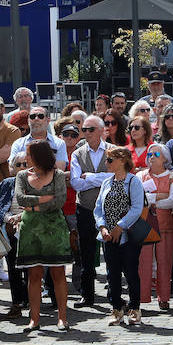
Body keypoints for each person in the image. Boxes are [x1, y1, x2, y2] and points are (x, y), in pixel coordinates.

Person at [12, 141, 70, 332]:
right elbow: (20, 199)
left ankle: (62, 317)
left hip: (55, 230)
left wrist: (34, 206)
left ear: (39, 155)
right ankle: (34, 319)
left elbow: (60, 200)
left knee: (58, 273)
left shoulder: (58, 175)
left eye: (29, 154)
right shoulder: (22, 175)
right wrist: (46, 198)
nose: (26, 158)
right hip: (31, 230)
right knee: (33, 275)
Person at [95, 146, 148, 326]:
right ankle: (117, 308)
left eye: (110, 160)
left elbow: (136, 208)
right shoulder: (106, 182)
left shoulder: (133, 182)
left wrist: (120, 226)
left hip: (128, 237)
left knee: (131, 272)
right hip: (108, 237)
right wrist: (102, 227)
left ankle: (134, 308)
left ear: (122, 160)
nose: (106, 163)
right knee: (112, 274)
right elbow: (98, 209)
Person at [68, 115, 112, 308]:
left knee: (111, 252)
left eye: (90, 130)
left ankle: (114, 293)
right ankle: (87, 295)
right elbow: (76, 182)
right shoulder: (77, 153)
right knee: (85, 254)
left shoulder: (113, 150)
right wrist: (102, 178)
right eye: (83, 130)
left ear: (101, 131)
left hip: (110, 208)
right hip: (85, 208)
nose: (85, 133)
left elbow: (116, 177)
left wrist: (92, 177)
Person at [139, 143, 173, 311]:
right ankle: (142, 297)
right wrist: (160, 196)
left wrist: (152, 199)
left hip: (166, 226)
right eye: (149, 154)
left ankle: (164, 298)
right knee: (143, 262)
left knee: (165, 262)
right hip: (145, 226)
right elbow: (138, 197)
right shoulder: (140, 176)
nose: (151, 157)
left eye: (156, 154)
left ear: (165, 159)